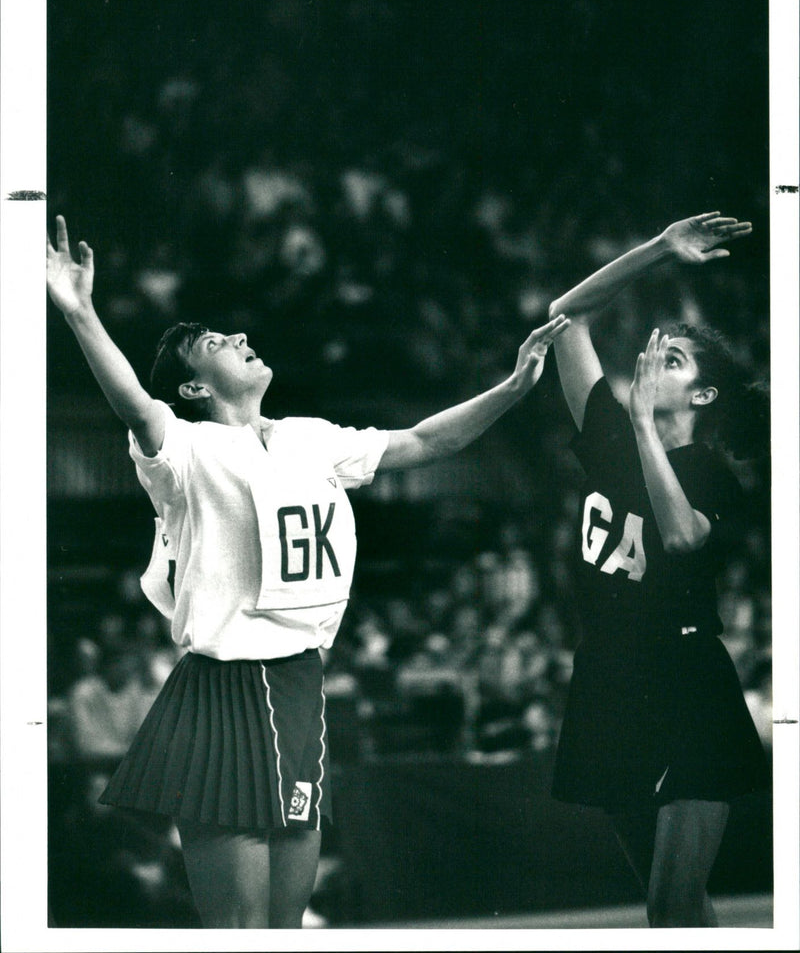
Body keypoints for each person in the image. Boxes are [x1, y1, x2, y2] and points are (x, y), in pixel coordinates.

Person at [46, 214, 569, 929]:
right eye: (214, 344)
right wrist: (80, 313)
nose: (238, 338)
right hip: (223, 693)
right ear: (195, 389)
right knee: (241, 930)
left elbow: (421, 440)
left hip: (300, 686)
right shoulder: (186, 451)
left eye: (235, 334)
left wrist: (512, 388)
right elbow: (137, 407)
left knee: (288, 928)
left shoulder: (309, 439)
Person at [546, 210, 770, 927]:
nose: (650, 362)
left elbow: (679, 538)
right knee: (674, 908)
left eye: (673, 360)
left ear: (702, 397)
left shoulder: (713, 476)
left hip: (684, 681)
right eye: (654, 350)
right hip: (608, 679)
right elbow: (564, 317)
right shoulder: (608, 433)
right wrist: (657, 250)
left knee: (673, 905)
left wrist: (644, 426)